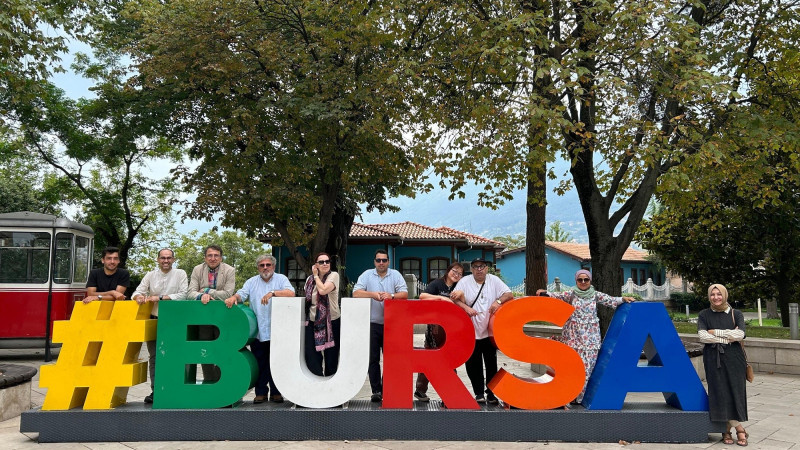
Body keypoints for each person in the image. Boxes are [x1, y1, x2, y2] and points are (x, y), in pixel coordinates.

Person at [536, 269, 634, 404]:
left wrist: (623, 299)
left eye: (586, 279)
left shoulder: (595, 295)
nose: (583, 282)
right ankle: (569, 395)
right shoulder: (571, 294)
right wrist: (544, 292)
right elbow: (555, 295)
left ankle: (580, 396)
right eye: (580, 280)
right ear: (576, 281)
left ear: (590, 281)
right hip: (573, 336)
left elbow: (610, 300)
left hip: (590, 337)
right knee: (572, 366)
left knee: (587, 366)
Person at [224, 255, 294, 404]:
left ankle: (277, 393)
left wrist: (273, 293)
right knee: (259, 363)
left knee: (276, 363)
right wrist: (233, 297)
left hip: (277, 330)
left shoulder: (281, 279)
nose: (265, 268)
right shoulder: (252, 282)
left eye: (268, 265)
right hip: (259, 331)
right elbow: (242, 294)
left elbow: (291, 293)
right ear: (258, 267)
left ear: (273, 267)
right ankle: (261, 392)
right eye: (262, 265)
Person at [451, 257, 513, 405]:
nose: (479, 269)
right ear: (471, 269)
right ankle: (478, 393)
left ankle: (491, 393)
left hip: (489, 331)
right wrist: (466, 308)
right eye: (476, 266)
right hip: (470, 330)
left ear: (486, 268)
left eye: (482, 266)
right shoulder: (465, 281)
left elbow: (509, 294)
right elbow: (454, 298)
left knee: (491, 363)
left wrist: (497, 302)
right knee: (473, 364)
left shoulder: (493, 280)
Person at [131, 248, 188, 404]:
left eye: (169, 258)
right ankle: (156, 390)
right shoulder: (150, 275)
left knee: (176, 355)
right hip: (155, 319)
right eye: (163, 258)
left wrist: (161, 297)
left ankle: (176, 389)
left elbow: (183, 294)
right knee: (155, 356)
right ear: (158, 260)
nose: (166, 261)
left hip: (176, 321)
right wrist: (139, 297)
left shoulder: (180, 274)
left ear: (173, 260)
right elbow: (136, 291)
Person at [352, 249, 409, 402]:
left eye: (384, 260)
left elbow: (404, 294)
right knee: (373, 359)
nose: (381, 263)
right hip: (372, 324)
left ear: (388, 262)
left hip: (392, 325)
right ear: (374, 262)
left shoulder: (395, 275)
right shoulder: (367, 275)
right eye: (378, 260)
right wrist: (373, 294)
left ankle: (388, 388)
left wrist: (391, 296)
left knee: (391, 359)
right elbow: (356, 293)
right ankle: (376, 390)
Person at [697, 284, 748, 446]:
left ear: (724, 295)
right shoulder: (704, 314)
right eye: (712, 294)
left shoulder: (736, 313)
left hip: (734, 359)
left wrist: (715, 332)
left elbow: (740, 334)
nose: (716, 297)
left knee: (734, 392)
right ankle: (738, 428)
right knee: (719, 393)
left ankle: (726, 429)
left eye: (719, 294)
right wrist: (727, 337)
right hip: (713, 358)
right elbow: (703, 336)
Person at [413, 262, 467, 402]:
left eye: (460, 274)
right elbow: (422, 296)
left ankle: (448, 391)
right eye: (454, 271)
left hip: (452, 328)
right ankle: (421, 390)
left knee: (449, 359)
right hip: (435, 327)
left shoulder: (459, 286)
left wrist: (461, 293)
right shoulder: (437, 284)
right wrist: (442, 298)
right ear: (448, 271)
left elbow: (465, 303)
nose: (456, 275)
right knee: (430, 357)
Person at [188, 244, 236, 383]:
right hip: (203, 317)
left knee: (222, 349)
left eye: (216, 255)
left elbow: (227, 293)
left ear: (221, 258)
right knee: (205, 349)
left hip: (223, 316)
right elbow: (190, 292)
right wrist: (200, 296)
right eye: (210, 255)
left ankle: (222, 382)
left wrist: (207, 291)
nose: (213, 258)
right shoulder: (198, 269)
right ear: (205, 257)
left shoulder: (229, 270)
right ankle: (209, 381)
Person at [304, 252, 341, 377]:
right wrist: (314, 277)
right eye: (321, 262)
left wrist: (316, 276)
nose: (325, 264)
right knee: (311, 354)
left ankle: (331, 386)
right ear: (316, 265)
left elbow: (323, 290)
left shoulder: (334, 275)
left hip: (331, 321)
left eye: (327, 261)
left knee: (331, 356)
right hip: (313, 320)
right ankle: (317, 381)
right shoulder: (309, 280)